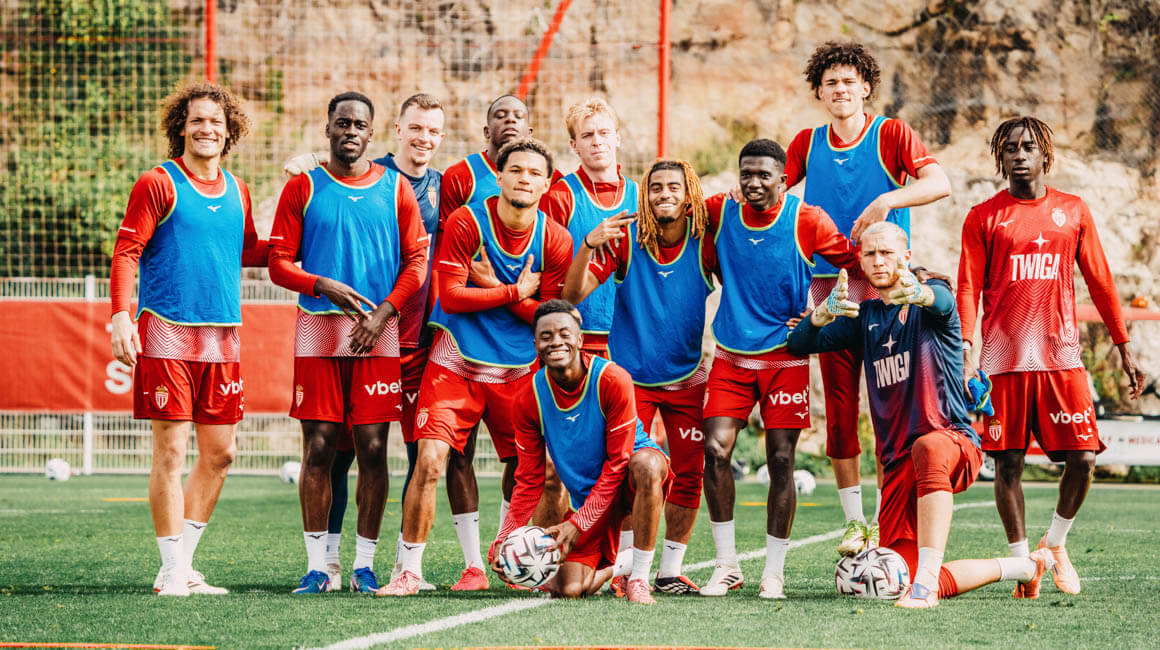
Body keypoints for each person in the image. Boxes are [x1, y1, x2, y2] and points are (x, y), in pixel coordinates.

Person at [788, 222, 1056, 608]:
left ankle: (925, 585)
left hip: (952, 442)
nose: (878, 261)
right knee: (899, 575)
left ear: (906, 256)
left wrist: (921, 293)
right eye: (869, 254)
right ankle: (1026, 567)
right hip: (899, 466)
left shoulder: (931, 296)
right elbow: (799, 345)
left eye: (887, 252)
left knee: (928, 448)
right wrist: (821, 314)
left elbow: (942, 302)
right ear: (860, 261)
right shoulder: (865, 317)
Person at [956, 116, 1146, 597]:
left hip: (1061, 357)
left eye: (1028, 147)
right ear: (1000, 158)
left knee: (1083, 458)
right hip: (1003, 362)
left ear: (1046, 155)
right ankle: (1025, 564)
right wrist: (967, 352)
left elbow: (1100, 281)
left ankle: (1055, 544)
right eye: (1010, 148)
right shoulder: (982, 217)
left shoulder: (1073, 210)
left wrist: (1124, 347)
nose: (1019, 154)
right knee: (1008, 465)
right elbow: (967, 288)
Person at [378, 138, 573, 596]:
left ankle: (509, 557)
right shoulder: (468, 221)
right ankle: (409, 572)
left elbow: (550, 317)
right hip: (456, 359)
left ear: (547, 185)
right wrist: (513, 291)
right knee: (431, 460)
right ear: (499, 176)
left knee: (534, 470)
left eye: (534, 173)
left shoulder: (556, 240)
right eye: (515, 170)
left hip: (518, 367)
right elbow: (452, 297)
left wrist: (494, 288)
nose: (524, 179)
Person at [785, 40, 951, 554]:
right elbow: (770, 199)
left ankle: (888, 518)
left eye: (849, 81)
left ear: (866, 88)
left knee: (892, 406)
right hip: (831, 286)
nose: (840, 89)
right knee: (840, 411)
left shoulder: (891, 134)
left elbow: (939, 182)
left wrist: (887, 199)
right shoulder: (806, 143)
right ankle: (856, 522)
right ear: (819, 91)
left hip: (885, 285)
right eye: (830, 82)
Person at [283, 93, 446, 591]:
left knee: (373, 448)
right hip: (318, 329)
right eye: (342, 122)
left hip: (377, 332)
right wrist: (319, 284)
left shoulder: (395, 189)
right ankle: (319, 566)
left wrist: (383, 313)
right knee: (320, 447)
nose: (350, 130)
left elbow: (417, 263)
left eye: (359, 124)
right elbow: (278, 263)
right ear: (328, 128)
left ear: (372, 133)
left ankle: (363, 566)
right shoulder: (303, 187)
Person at [109, 81, 266, 596]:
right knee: (171, 452)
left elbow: (250, 251)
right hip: (167, 332)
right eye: (197, 120)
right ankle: (173, 570)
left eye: (216, 122)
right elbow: (127, 252)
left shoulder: (239, 190)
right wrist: (120, 317)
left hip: (223, 337)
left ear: (230, 131)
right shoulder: (158, 183)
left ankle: (180, 565)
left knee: (221, 454)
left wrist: (305, 227)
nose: (207, 129)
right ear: (181, 126)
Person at [700, 139, 857, 599]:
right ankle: (727, 566)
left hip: (785, 355)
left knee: (782, 460)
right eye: (745, 174)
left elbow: (854, 262)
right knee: (715, 449)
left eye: (763, 175)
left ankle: (774, 572)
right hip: (730, 353)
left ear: (784, 181)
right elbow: (681, 212)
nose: (753, 183)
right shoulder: (720, 211)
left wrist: (819, 313)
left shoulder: (807, 219)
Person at [562, 159, 711, 594]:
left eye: (673, 187)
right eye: (655, 187)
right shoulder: (626, 240)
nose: (664, 194)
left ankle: (668, 572)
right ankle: (626, 568)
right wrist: (587, 245)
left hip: (686, 376)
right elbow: (571, 296)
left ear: (689, 195)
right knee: (630, 469)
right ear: (644, 196)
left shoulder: (705, 241)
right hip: (633, 382)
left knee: (691, 472)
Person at [433, 94, 546, 589]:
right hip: (460, 339)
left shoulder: (544, 193)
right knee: (451, 452)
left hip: (516, 350)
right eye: (500, 115)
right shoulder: (461, 178)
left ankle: (506, 548)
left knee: (521, 459)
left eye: (519, 116)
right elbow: (452, 269)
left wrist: (504, 291)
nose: (510, 122)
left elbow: (546, 297)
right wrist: (504, 290)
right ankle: (471, 563)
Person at [487, 300, 671, 604]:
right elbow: (529, 479)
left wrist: (576, 524)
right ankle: (622, 564)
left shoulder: (612, 379)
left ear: (580, 339)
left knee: (648, 465)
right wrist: (504, 538)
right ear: (535, 344)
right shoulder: (528, 398)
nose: (555, 342)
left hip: (628, 479)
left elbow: (618, 463)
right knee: (568, 589)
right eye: (546, 336)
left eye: (564, 334)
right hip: (590, 496)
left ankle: (639, 578)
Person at [541, 98, 638, 357]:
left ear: (618, 138)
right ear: (574, 145)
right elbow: (546, 272)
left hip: (630, 337)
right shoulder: (560, 196)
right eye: (587, 135)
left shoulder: (640, 197)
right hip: (573, 336)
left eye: (604, 132)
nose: (597, 141)